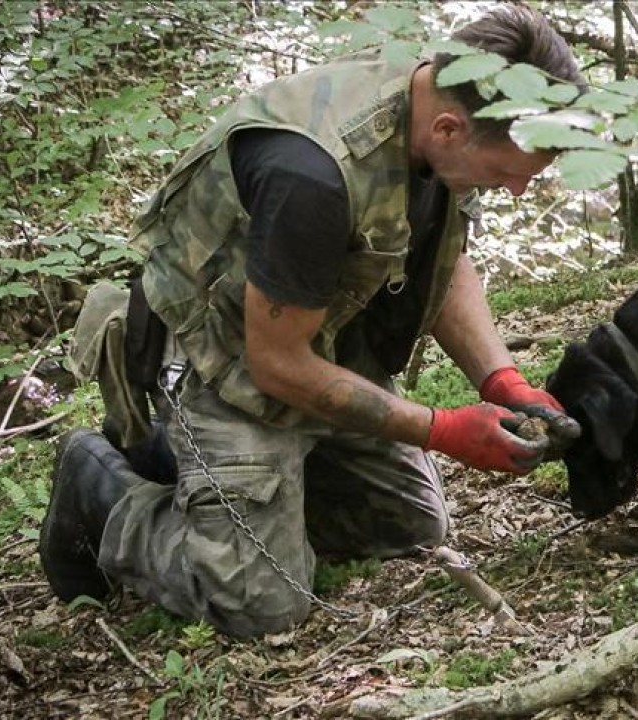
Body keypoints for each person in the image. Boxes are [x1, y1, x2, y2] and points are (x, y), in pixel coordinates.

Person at [40, 4, 584, 638]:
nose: (514, 190)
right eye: (503, 175)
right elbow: (277, 364)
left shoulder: (444, 111)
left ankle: (237, 485)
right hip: (220, 356)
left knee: (406, 527)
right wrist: (442, 430)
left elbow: (444, 256)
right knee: (261, 604)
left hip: (317, 330)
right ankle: (102, 490)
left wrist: (501, 382)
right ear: (448, 128)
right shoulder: (311, 174)